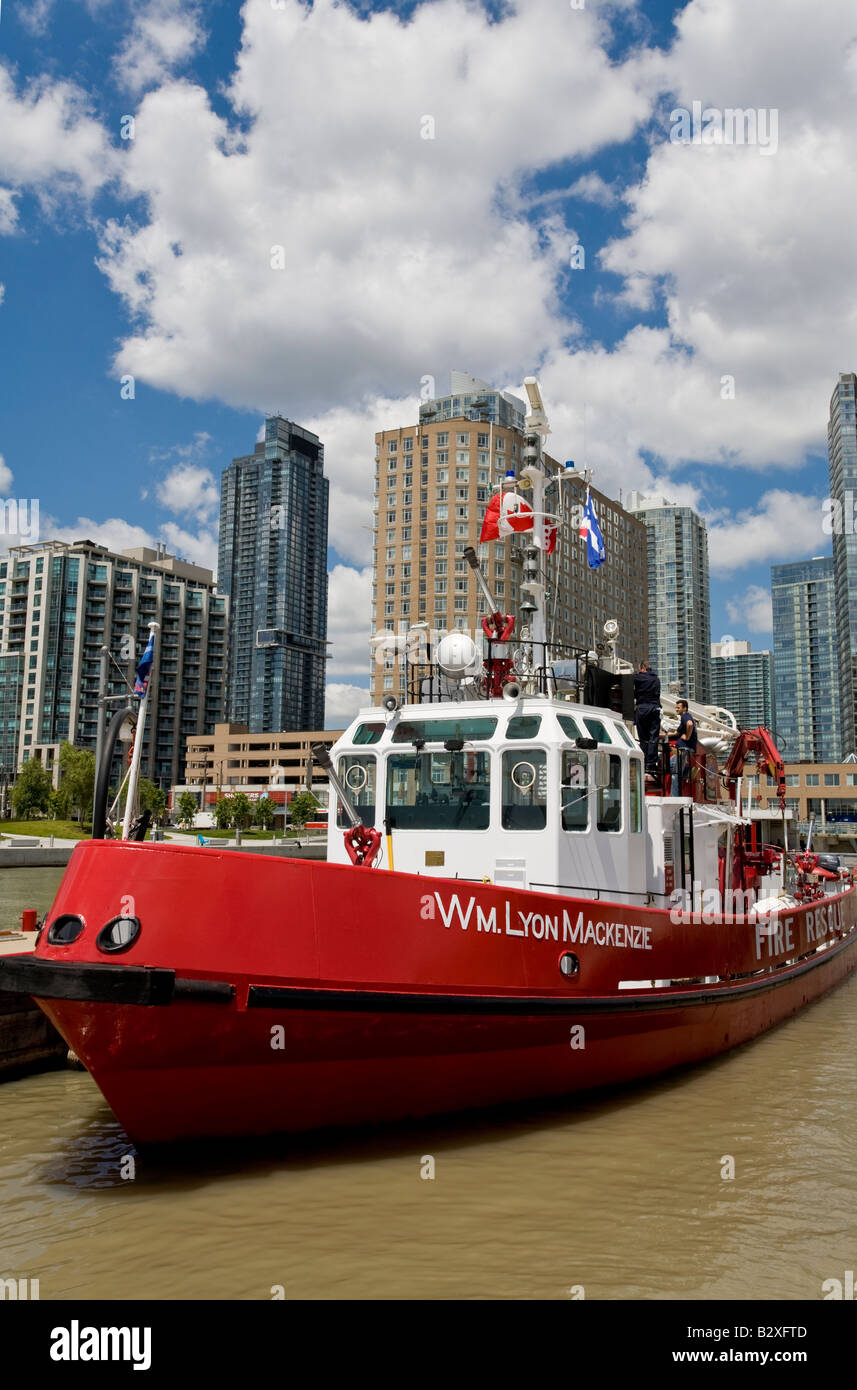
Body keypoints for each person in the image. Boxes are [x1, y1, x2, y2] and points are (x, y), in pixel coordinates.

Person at [633, 661, 662, 779]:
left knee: (643, 738)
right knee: (653, 737)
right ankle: (651, 764)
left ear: (643, 668)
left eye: (639, 668)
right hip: (655, 709)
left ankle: (643, 760)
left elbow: (628, 682)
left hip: (643, 708)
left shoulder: (639, 677)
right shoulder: (656, 679)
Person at [671, 699, 698, 796]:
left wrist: (687, 736)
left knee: (675, 775)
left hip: (683, 749)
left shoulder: (685, 716)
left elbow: (689, 724)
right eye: (676, 707)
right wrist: (661, 736)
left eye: (678, 707)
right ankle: (688, 771)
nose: (676, 709)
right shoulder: (684, 718)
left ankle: (674, 797)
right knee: (667, 764)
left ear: (684, 708)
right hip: (683, 750)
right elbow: (676, 733)